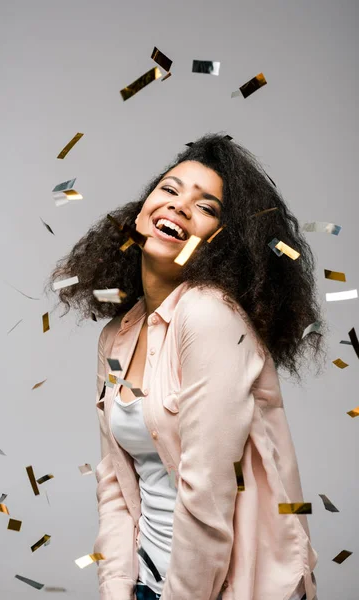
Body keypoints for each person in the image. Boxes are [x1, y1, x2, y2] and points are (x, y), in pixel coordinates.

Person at [47, 133, 326, 600]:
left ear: (221, 241)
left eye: (207, 207)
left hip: (230, 587)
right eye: (170, 190)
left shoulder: (209, 315)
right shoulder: (117, 335)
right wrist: (117, 588)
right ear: (141, 210)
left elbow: (208, 497)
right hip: (147, 582)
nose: (178, 206)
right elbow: (115, 480)